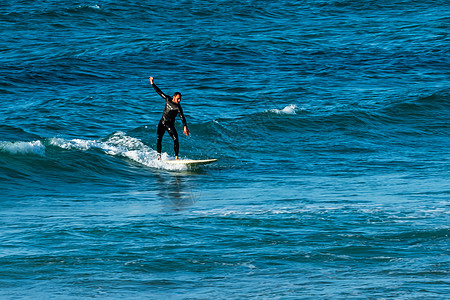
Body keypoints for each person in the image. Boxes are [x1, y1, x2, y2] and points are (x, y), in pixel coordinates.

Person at [149, 77, 190, 160]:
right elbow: (159, 92)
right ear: (174, 97)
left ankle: (176, 157)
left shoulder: (178, 107)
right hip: (162, 122)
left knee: (175, 139)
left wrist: (185, 126)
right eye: (178, 99)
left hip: (169, 124)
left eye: (180, 99)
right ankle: (159, 156)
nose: (179, 101)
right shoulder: (168, 99)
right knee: (159, 139)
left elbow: (182, 116)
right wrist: (152, 83)